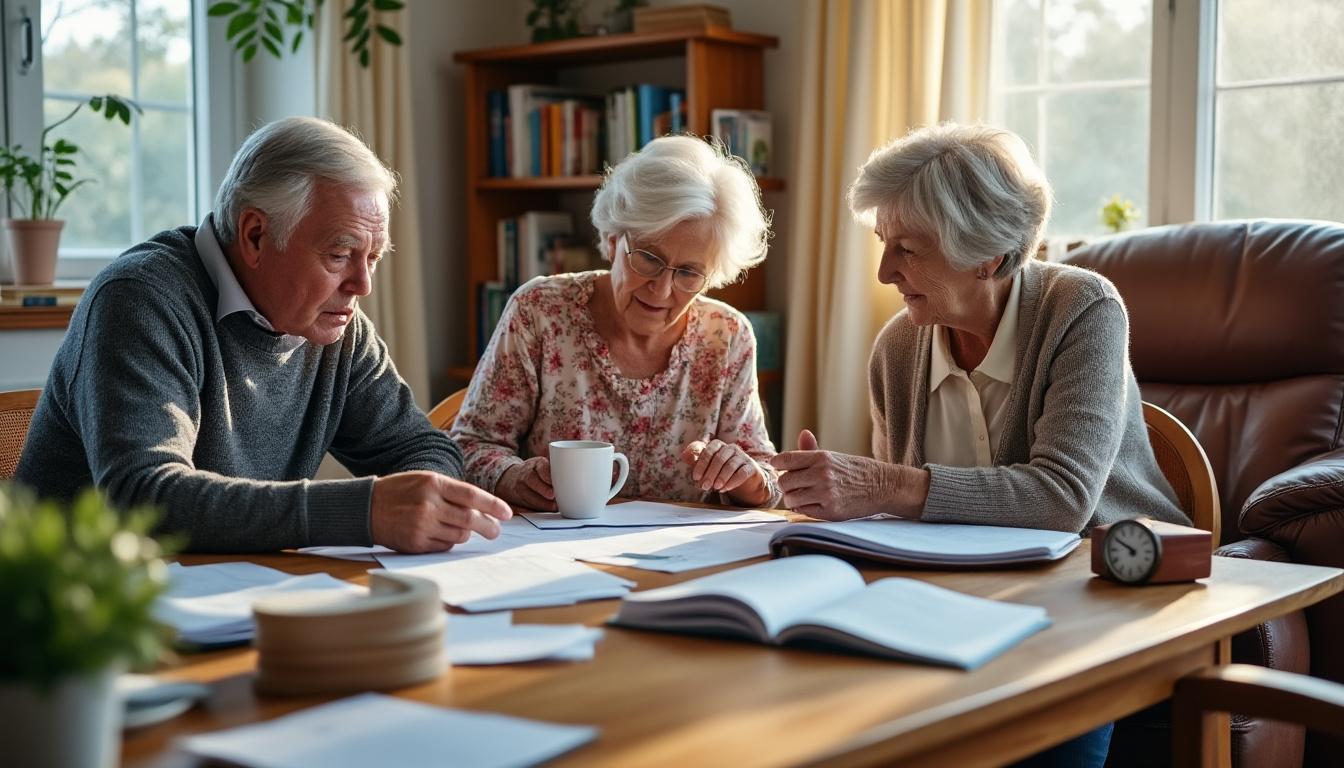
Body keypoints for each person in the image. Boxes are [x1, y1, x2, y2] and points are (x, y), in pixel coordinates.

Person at [769, 123, 1190, 767]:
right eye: (884, 245)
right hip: (967, 601)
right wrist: (826, 501)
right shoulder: (898, 347)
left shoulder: (1082, 308)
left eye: (907, 250)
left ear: (987, 255)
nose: (884, 272)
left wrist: (880, 486)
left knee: (1034, 731)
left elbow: (1062, 500)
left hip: (1106, 589)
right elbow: (901, 524)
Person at [15, 117, 511, 554]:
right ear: (255, 235)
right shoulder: (140, 299)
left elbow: (424, 447)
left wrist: (429, 503)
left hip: (227, 593)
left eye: (373, 257)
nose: (363, 285)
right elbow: (143, 497)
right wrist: (362, 511)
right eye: (340, 255)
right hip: (75, 605)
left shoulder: (335, 324)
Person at [451, 136, 779, 510]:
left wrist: (747, 477)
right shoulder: (540, 311)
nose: (661, 290)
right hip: (554, 542)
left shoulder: (727, 335)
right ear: (612, 239)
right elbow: (469, 446)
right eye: (649, 258)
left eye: (689, 272)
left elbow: (765, 476)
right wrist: (513, 477)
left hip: (680, 548)